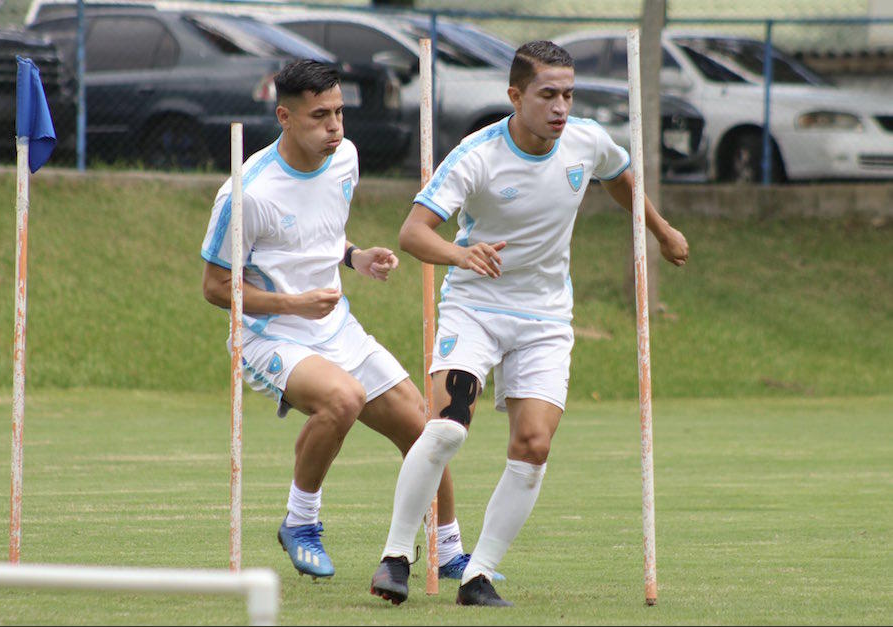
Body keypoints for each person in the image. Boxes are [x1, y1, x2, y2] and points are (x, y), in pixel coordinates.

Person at [369, 41, 689, 606]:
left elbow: (618, 176)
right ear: (515, 96)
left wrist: (660, 230)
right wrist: (462, 254)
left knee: (534, 444)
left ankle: (479, 576)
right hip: (475, 309)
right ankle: (397, 555)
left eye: (568, 94)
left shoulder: (586, 140)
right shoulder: (477, 155)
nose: (561, 106)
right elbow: (412, 233)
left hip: (544, 318)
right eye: (548, 95)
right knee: (446, 429)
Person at [200, 59, 476, 581]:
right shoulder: (247, 192)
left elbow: (317, 237)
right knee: (342, 399)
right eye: (319, 116)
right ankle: (300, 522)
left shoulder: (345, 158)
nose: (335, 128)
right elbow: (215, 287)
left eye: (340, 112)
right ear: (284, 116)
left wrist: (354, 257)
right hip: (268, 335)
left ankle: (449, 549)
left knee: (428, 429)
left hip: (336, 327)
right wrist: (292, 304)